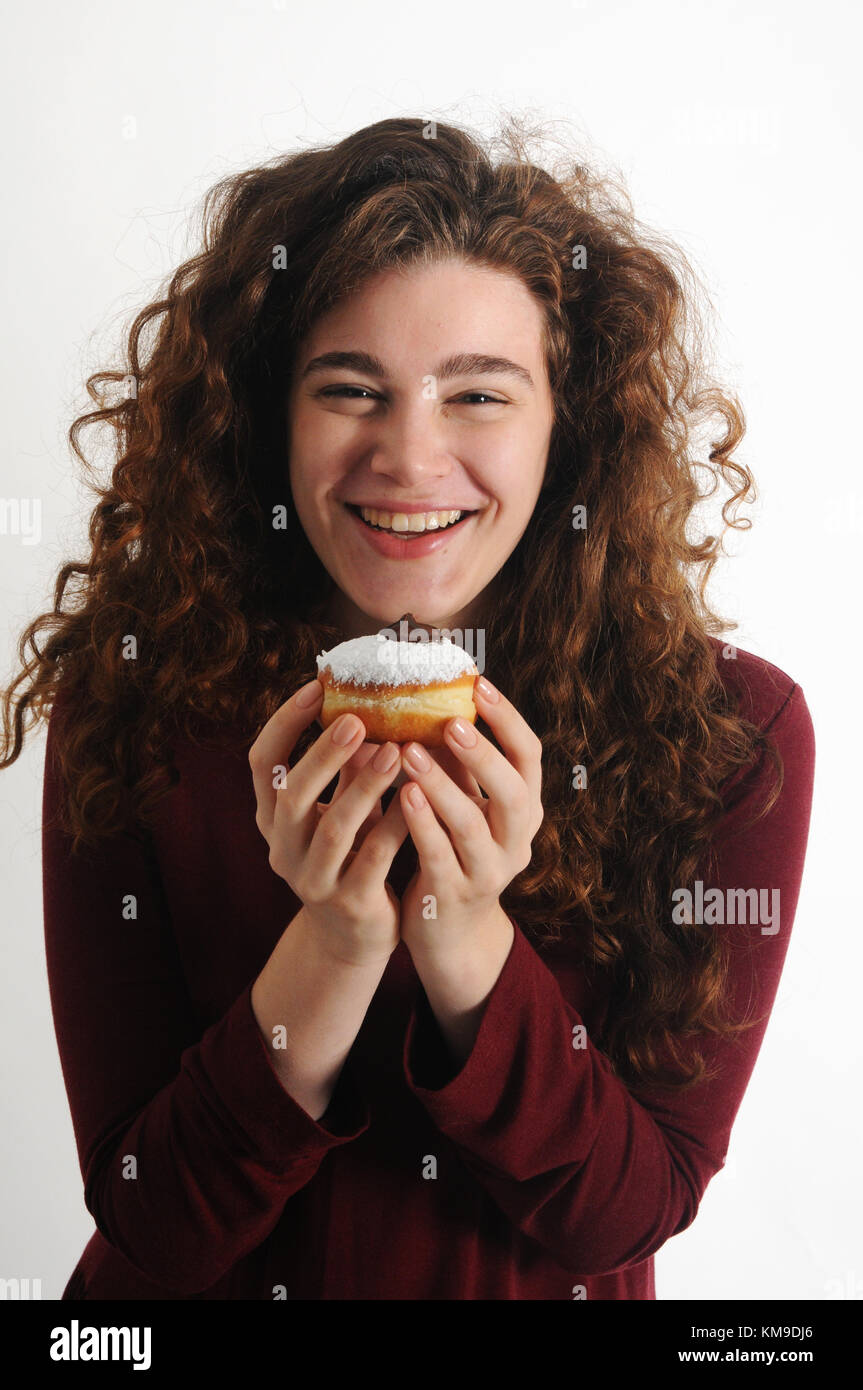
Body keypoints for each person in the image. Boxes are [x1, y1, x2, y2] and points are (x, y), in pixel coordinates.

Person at [1, 115, 815, 1300]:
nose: (409, 456)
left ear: (565, 425)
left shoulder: (729, 736)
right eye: (349, 388)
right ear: (266, 415)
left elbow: (626, 1211)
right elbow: (149, 1224)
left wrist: (464, 935)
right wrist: (333, 943)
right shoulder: (136, 702)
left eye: (478, 394)